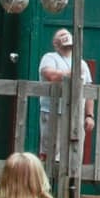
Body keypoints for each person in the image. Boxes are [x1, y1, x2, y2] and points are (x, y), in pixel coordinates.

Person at [38, 29, 95, 164]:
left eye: (67, 34)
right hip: (53, 113)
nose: (65, 36)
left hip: (76, 115)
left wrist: (89, 115)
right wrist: (73, 72)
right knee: (51, 155)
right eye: (61, 35)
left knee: (75, 155)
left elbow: (89, 90)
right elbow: (51, 75)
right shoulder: (49, 57)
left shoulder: (82, 63)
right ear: (55, 43)